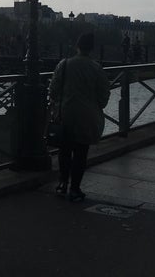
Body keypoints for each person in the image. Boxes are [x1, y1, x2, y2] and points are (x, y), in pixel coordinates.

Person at [48, 32, 110, 202]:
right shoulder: (97, 68)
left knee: (65, 151)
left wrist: (58, 103)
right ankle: (75, 188)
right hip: (88, 116)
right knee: (81, 153)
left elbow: (53, 90)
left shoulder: (65, 64)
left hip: (66, 114)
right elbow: (104, 94)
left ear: (77, 46)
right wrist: (96, 106)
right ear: (92, 48)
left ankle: (62, 183)